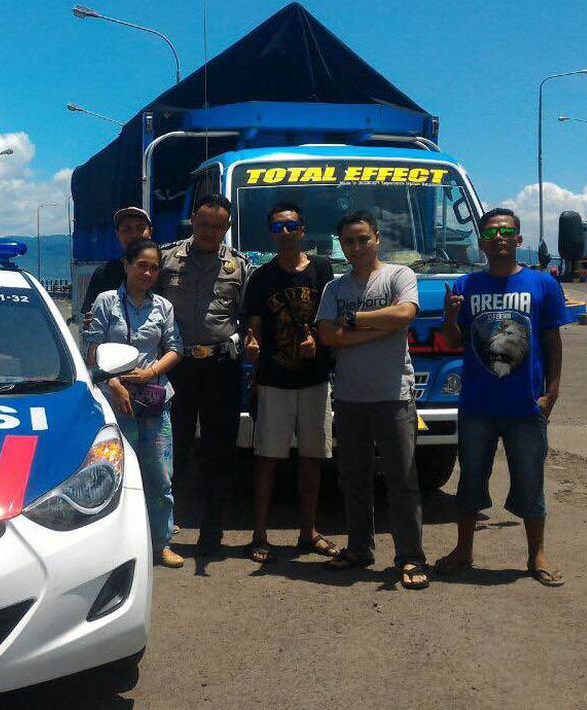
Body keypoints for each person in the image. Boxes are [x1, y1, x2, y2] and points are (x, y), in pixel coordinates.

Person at [435, 208, 571, 587]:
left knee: (531, 481)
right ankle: (463, 551)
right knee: (470, 482)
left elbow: (552, 341)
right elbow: (453, 342)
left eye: (506, 231)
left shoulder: (543, 284)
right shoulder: (465, 287)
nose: (499, 238)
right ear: (480, 241)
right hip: (477, 406)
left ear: (518, 240)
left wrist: (552, 392)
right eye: (491, 232)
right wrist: (449, 319)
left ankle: (536, 555)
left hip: (526, 406)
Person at [315, 210, 429, 590]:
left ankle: (410, 557)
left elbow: (406, 313)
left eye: (364, 239)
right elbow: (328, 335)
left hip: (394, 396)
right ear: (341, 246)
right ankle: (359, 549)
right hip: (349, 398)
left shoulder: (399, 275)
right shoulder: (335, 288)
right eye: (349, 241)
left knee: (403, 480)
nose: (357, 247)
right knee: (354, 480)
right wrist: (376, 328)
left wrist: (354, 322)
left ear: (377, 238)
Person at [241, 203, 338, 564]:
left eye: (291, 225)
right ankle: (260, 533)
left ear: (303, 229)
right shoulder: (262, 277)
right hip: (274, 379)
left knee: (313, 458)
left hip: (315, 380)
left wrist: (318, 339)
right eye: (278, 227)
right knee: (267, 458)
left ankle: (308, 531)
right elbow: (253, 324)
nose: (285, 232)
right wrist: (251, 343)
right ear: (271, 233)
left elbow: (331, 317)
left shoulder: (323, 270)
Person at [157, 193, 251, 556]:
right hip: (177, 367)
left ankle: (213, 529)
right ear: (192, 220)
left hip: (219, 368)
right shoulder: (166, 259)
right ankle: (165, 526)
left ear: (227, 227)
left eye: (218, 226)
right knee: (173, 447)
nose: (210, 232)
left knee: (219, 450)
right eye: (203, 224)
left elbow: (247, 318)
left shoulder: (239, 267)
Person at [84, 239, 184, 568]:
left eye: (154, 267)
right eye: (141, 264)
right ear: (126, 265)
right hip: (117, 400)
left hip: (155, 400)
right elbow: (91, 350)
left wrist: (152, 371)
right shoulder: (105, 302)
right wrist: (114, 384)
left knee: (159, 474)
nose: (147, 272)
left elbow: (175, 348)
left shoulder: (163, 307)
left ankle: (161, 543)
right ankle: (115, 547)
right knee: (114, 475)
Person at [79, 207, 153, 321]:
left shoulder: (164, 271)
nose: (134, 234)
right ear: (117, 234)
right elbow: (90, 319)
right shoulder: (103, 273)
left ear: (150, 232)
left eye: (140, 228)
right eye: (126, 229)